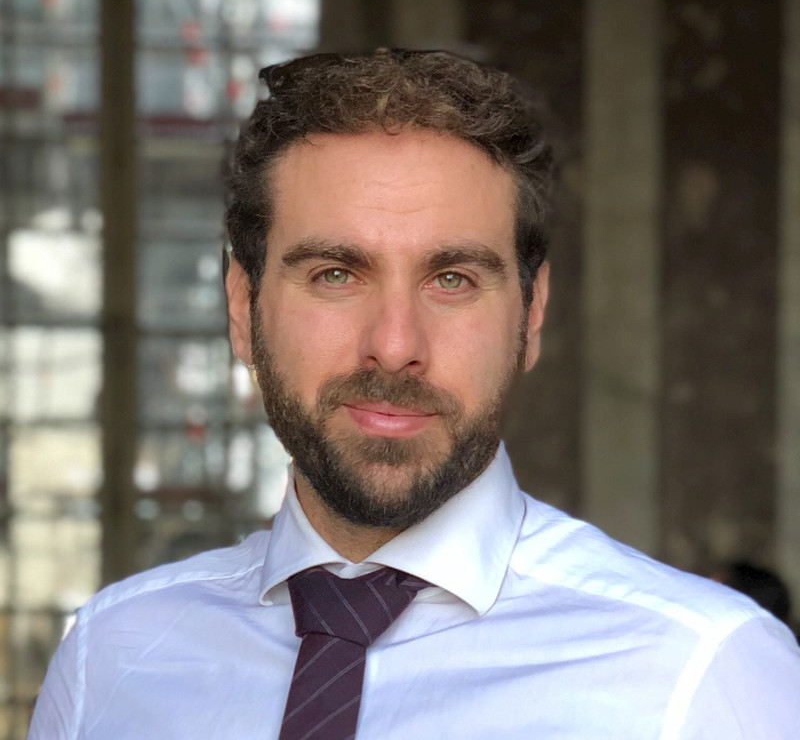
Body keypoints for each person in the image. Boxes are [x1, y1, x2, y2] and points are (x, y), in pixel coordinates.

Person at [28, 49, 800, 739]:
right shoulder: (110, 658)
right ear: (242, 306)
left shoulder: (704, 677)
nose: (395, 344)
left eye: (453, 278)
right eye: (335, 273)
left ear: (530, 315)